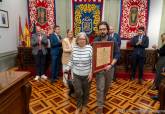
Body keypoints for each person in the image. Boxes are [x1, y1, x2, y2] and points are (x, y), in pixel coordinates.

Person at [94, 21, 120, 114]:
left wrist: (111, 65)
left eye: (104, 29)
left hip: (110, 68)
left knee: (106, 87)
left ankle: (103, 99)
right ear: (98, 31)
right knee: (100, 88)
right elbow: (94, 54)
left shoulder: (113, 40)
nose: (102, 31)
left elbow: (117, 54)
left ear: (107, 30)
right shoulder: (96, 40)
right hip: (99, 69)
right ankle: (100, 106)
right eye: (100, 29)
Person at [66, 32, 93, 114]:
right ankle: (78, 106)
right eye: (80, 39)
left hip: (87, 75)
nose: (82, 40)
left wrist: (91, 72)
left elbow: (92, 61)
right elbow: (71, 60)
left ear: (86, 40)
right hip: (76, 75)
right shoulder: (74, 48)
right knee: (78, 92)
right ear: (77, 40)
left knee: (86, 92)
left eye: (83, 39)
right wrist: (68, 67)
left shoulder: (89, 48)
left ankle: (84, 106)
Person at [151, 33, 165, 98]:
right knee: (159, 74)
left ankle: (159, 95)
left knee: (160, 75)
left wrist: (156, 48)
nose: (162, 38)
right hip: (162, 60)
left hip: (163, 61)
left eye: (163, 37)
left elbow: (161, 52)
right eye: (161, 37)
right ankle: (159, 93)